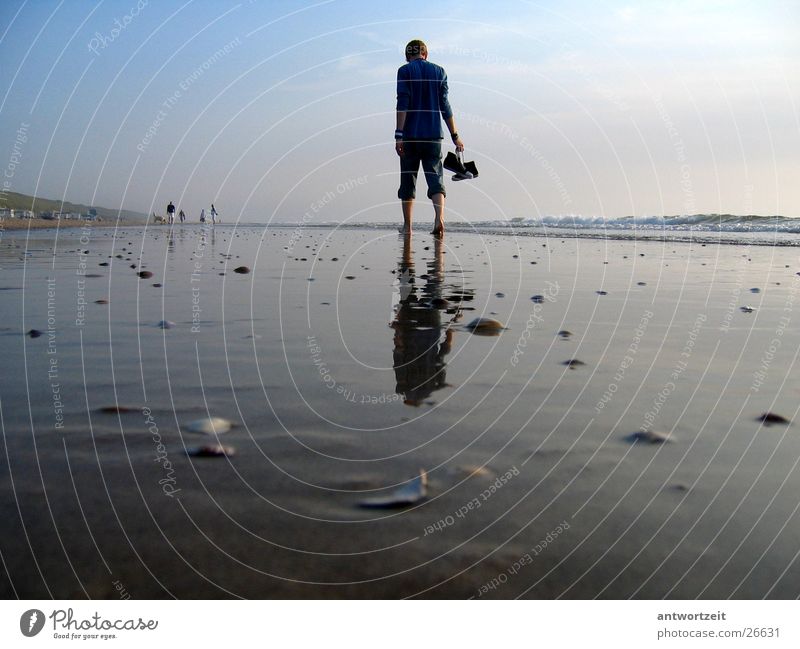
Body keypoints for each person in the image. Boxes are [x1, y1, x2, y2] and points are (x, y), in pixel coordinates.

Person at [395, 39, 464, 237]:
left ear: (408, 56)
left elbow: (403, 102)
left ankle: (408, 226)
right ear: (426, 54)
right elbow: (445, 106)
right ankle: (439, 218)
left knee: (408, 179)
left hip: (409, 136)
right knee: (436, 178)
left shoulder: (405, 71)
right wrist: (455, 136)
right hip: (434, 135)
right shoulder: (440, 72)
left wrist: (398, 135)